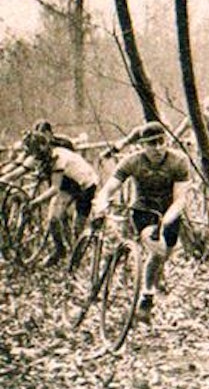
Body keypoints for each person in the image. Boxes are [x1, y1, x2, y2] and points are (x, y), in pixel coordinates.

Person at [91, 122, 192, 322]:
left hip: (169, 211)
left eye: (160, 142)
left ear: (167, 141)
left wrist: (167, 220)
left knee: (164, 254)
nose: (157, 148)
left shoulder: (179, 161)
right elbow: (110, 187)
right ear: (142, 146)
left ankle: (152, 277)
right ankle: (146, 298)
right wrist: (102, 202)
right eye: (151, 144)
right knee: (157, 249)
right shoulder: (132, 161)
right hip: (143, 210)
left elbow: (180, 199)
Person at [5, 131, 100, 265]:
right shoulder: (38, 155)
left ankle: (77, 259)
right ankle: (59, 250)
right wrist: (3, 180)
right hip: (67, 185)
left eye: (37, 151)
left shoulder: (58, 157)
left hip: (86, 185)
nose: (35, 156)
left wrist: (35, 203)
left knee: (78, 227)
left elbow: (54, 188)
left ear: (44, 146)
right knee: (53, 219)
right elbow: (19, 171)